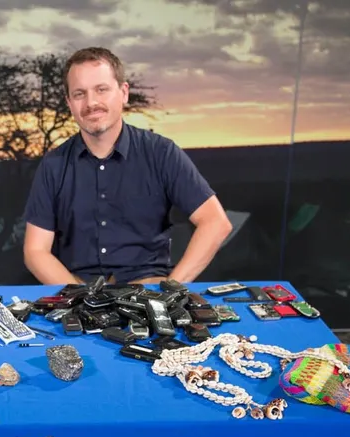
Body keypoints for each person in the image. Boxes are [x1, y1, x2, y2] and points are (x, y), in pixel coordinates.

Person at [22, 47, 233, 286]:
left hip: (147, 288)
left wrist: (170, 291)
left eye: (101, 90)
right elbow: (36, 251)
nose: (91, 103)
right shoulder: (53, 165)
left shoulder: (161, 153)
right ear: (69, 102)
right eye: (79, 94)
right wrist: (80, 299)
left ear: (123, 93)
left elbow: (216, 223)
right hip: (77, 289)